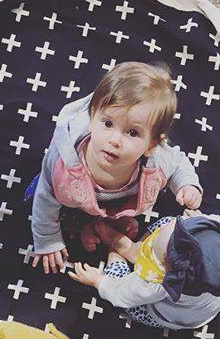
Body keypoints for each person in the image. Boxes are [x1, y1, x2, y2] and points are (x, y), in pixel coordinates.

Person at [28, 60, 203, 274]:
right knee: (49, 195)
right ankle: (85, 223)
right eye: (108, 123)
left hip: (117, 198)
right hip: (75, 186)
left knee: (123, 221)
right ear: (92, 117)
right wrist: (47, 239)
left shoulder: (157, 161)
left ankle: (99, 223)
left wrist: (187, 185)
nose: (115, 140)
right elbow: (45, 196)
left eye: (132, 133)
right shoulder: (63, 164)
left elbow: (178, 162)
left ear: (151, 145)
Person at [68, 210, 220, 330]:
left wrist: (99, 281)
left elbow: (121, 294)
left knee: (133, 307)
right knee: (168, 222)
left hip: (164, 313)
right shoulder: (216, 228)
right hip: (200, 291)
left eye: (157, 256)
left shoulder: (159, 285)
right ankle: (135, 249)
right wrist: (196, 219)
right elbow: (210, 223)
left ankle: (116, 251)